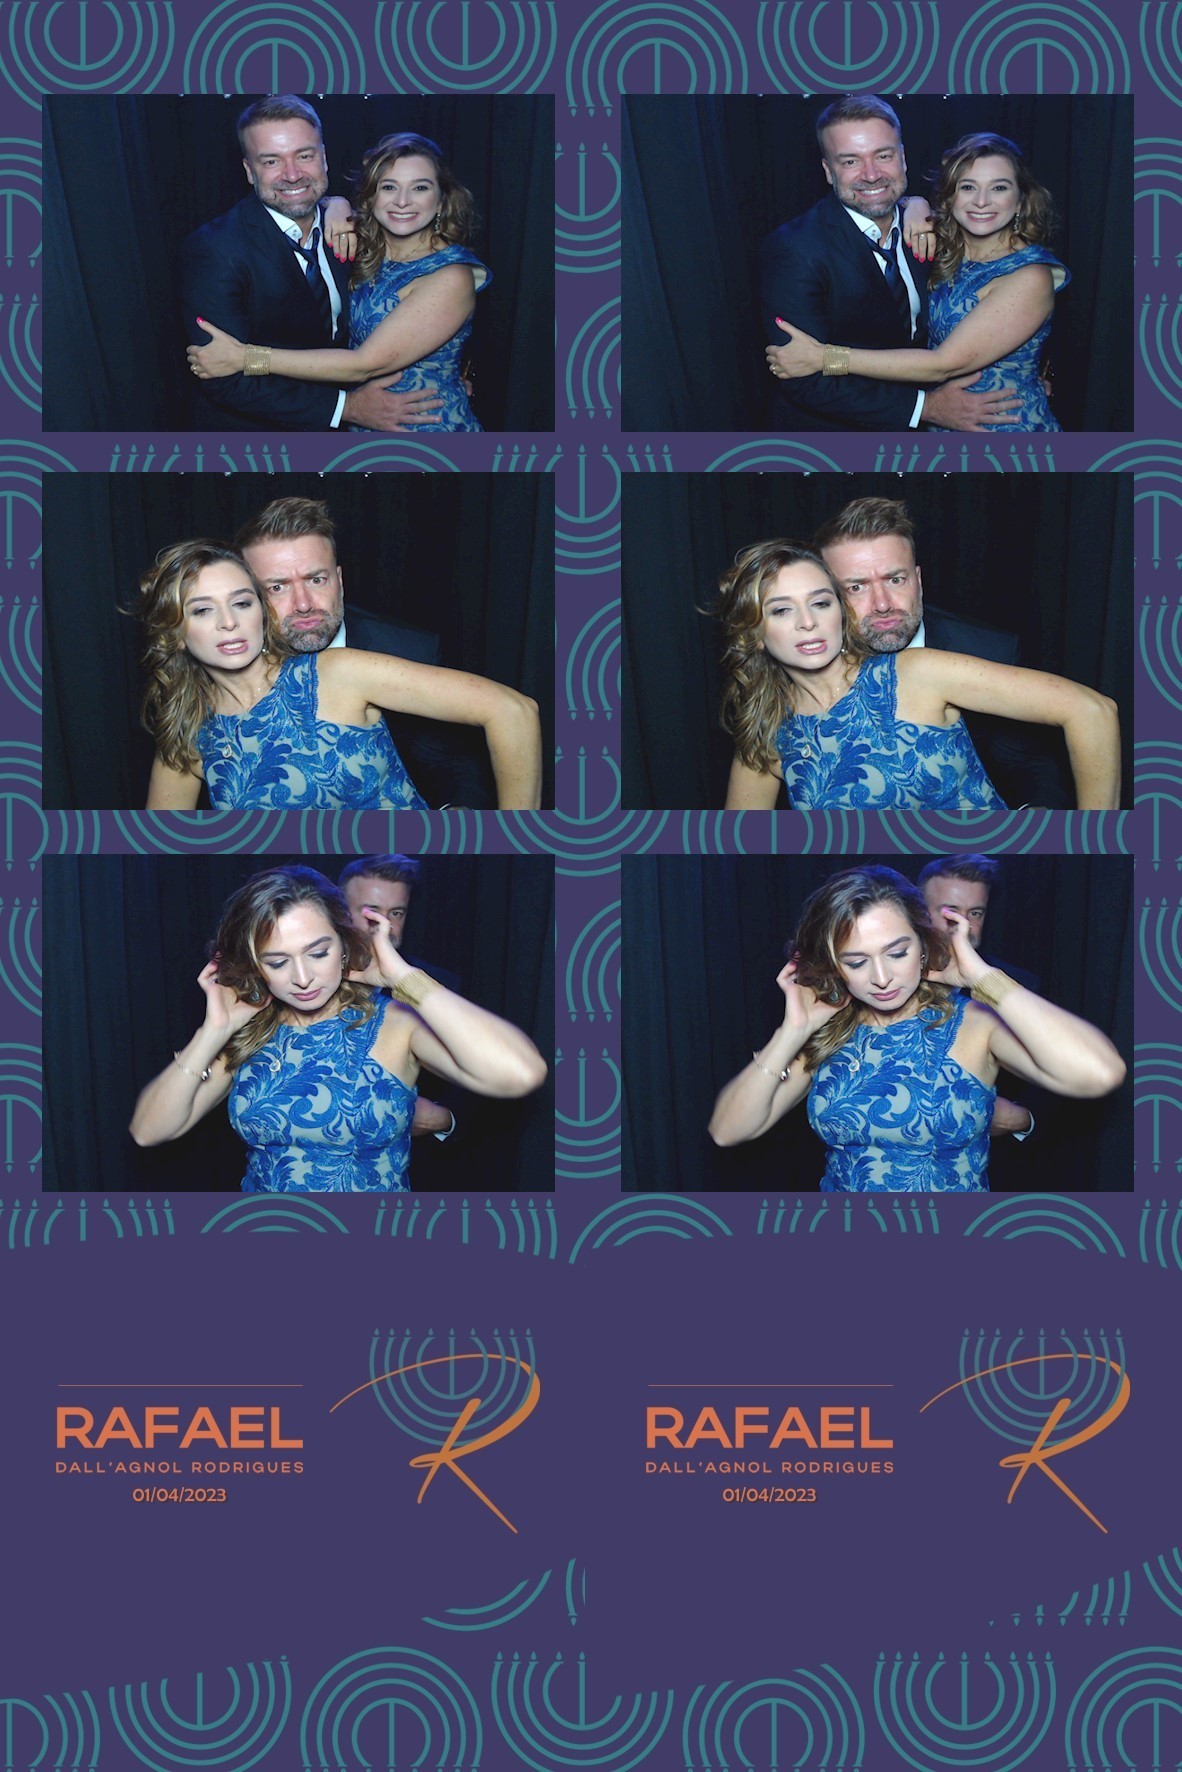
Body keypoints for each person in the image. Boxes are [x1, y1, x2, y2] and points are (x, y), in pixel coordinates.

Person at [707, 866, 1125, 1193]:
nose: (881, 978)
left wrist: (983, 978)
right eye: (856, 962)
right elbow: (728, 1132)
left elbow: (1100, 1073)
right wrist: (792, 1030)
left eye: (897, 953)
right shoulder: (830, 1032)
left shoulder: (974, 1022)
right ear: (835, 966)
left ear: (923, 944)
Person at [129, 867, 547, 1192]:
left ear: (344, 944)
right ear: (256, 966)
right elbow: (149, 1132)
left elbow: (521, 1073)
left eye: (318, 953)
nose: (302, 978)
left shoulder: (395, 1023)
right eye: (277, 962)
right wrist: (213, 1030)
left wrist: (405, 979)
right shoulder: (250, 1032)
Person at [133, 540, 542, 811]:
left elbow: (514, 710)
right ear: (176, 634)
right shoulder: (188, 733)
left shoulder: (337, 671)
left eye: (241, 603)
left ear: (261, 612)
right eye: (203, 610)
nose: (228, 622)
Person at [717, 539, 1119, 812]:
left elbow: (1092, 710)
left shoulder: (916, 671)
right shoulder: (768, 733)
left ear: (840, 611)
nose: (807, 622)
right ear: (754, 634)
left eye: (820, 603)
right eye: (781, 610)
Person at [768, 130, 1069, 433]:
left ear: (1020, 200)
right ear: (951, 195)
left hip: (1004, 425)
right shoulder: (942, 244)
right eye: (968, 187)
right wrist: (915, 203)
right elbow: (887, 202)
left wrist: (825, 357)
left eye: (999, 188)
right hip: (939, 423)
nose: (981, 201)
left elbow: (942, 364)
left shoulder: (1030, 276)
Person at [187, 132, 488, 433]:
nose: (402, 201)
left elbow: (363, 364)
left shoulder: (451, 276)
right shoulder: (363, 244)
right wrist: (336, 203)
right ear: (372, 196)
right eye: (389, 187)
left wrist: (246, 357)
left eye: (420, 188)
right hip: (361, 424)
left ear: (441, 200)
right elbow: (307, 202)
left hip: (425, 425)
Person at [815, 497, 1073, 807]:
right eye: (856, 587)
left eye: (895, 580)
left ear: (918, 581)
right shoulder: (810, 663)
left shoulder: (988, 652)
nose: (882, 604)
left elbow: (1029, 764)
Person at [235, 496, 488, 808]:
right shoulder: (232, 663)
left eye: (316, 579)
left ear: (339, 580)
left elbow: (449, 763)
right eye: (278, 587)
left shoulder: (408, 651)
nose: (303, 604)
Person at [916, 854, 1041, 1154]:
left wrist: (1020, 1118)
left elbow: (1060, 1076)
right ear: (918, 913)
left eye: (975, 913)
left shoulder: (1018, 985)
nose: (964, 925)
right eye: (950, 912)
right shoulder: (884, 982)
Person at [338, 854, 461, 1144]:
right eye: (371, 912)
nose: (385, 925)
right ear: (340, 912)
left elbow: (480, 1076)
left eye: (396, 913)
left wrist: (443, 1119)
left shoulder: (438, 985)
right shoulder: (305, 981)